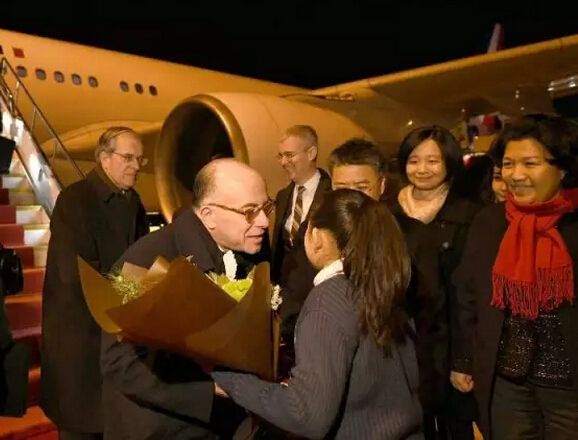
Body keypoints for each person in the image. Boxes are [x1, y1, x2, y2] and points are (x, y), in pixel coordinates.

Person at [213, 189, 423, 439]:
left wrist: (230, 380)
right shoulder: (382, 285)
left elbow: (307, 416)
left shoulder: (329, 299)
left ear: (317, 236)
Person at [100, 158, 273, 440]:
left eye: (266, 207)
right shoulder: (146, 261)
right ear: (208, 214)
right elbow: (119, 364)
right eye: (250, 212)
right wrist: (210, 390)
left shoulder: (250, 250)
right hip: (161, 429)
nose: (264, 221)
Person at [451, 114, 578, 439]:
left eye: (530, 163)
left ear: (563, 168)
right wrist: (464, 360)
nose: (516, 175)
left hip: (570, 386)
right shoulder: (489, 222)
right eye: (508, 164)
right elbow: (467, 295)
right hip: (507, 380)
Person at [40, 127, 149, 440]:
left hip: (116, 335)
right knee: (82, 425)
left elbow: (143, 260)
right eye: (128, 157)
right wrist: (131, 294)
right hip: (81, 339)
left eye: (140, 159)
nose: (136, 166)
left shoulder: (134, 203)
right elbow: (75, 273)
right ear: (104, 158)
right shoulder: (75, 200)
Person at [388, 125, 481, 440]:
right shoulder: (388, 211)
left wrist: (464, 359)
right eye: (414, 161)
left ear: (449, 163)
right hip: (401, 338)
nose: (422, 169)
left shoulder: (469, 214)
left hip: (450, 338)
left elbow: (472, 292)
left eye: (432, 161)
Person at [271, 125, 331, 345]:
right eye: (280, 156)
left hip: (321, 296)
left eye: (289, 155)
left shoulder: (333, 193)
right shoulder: (283, 196)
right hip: (288, 301)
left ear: (311, 153)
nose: (283, 162)